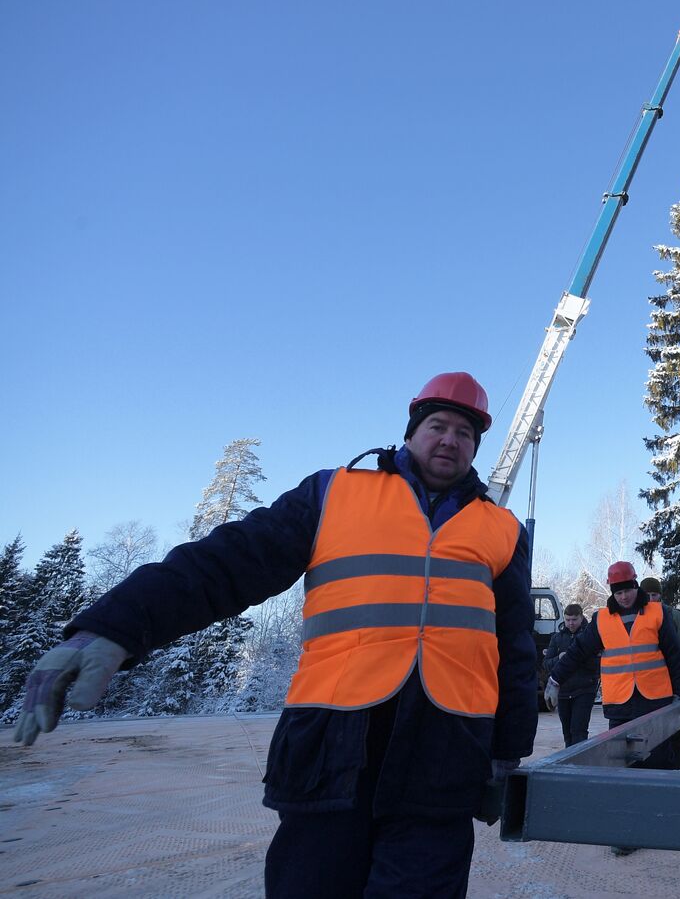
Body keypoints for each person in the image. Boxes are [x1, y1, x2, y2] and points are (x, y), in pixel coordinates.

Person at [12, 372, 537, 898]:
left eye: (465, 432)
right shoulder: (332, 493)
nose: (449, 439)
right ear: (412, 429)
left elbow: (515, 649)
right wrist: (114, 626)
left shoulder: (501, 529)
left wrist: (507, 750)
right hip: (331, 747)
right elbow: (226, 563)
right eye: (438, 425)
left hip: (444, 752)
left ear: (477, 446)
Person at [545, 560, 680, 856]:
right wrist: (555, 679)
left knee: (657, 763)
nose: (623, 596)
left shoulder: (657, 613)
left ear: (636, 586)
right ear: (612, 591)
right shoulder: (601, 620)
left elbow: (674, 655)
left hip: (655, 699)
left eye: (628, 590)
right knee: (625, 766)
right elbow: (577, 651)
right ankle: (628, 830)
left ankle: (661, 822)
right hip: (621, 702)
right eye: (618, 591)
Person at [542, 602, 599, 746]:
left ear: (581, 618)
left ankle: (579, 765)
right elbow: (546, 663)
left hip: (584, 690)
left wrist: (577, 659)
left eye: (574, 620)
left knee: (578, 731)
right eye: (567, 620)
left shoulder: (590, 637)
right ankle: (569, 765)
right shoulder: (557, 638)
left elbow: (597, 664)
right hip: (563, 692)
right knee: (567, 733)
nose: (571, 623)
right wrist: (559, 658)